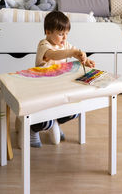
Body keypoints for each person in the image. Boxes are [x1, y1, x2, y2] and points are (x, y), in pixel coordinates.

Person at [30, 10, 95, 147]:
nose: (64, 38)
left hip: (60, 88)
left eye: (66, 34)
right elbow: (54, 55)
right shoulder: (44, 45)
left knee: (73, 112)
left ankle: (56, 122)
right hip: (43, 90)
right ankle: (33, 130)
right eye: (60, 34)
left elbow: (76, 52)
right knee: (44, 121)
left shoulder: (65, 45)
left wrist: (84, 59)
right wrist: (71, 52)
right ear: (48, 32)